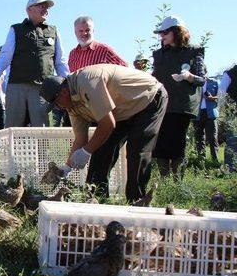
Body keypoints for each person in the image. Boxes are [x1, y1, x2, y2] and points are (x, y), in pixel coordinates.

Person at [40, 64, 167, 202]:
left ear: (63, 93)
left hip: (147, 98)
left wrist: (86, 151)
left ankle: (137, 203)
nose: (58, 108)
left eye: (56, 103)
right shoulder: (71, 105)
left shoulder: (87, 82)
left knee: (136, 150)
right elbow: (80, 138)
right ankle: (96, 200)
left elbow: (108, 124)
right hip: (121, 110)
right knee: (100, 150)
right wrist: (66, 168)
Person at [0, 0, 69, 127]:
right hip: (17, 85)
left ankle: (42, 149)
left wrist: (68, 82)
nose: (45, 9)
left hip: (43, 87)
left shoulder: (53, 31)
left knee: (41, 126)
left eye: (46, 7)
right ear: (29, 10)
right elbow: (5, 56)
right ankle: (12, 149)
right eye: (41, 6)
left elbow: (60, 61)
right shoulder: (16, 29)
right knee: (14, 125)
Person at [151, 15, 205, 178]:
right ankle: (164, 183)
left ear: (177, 31)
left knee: (176, 147)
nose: (161, 35)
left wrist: (189, 76)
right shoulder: (159, 54)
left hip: (181, 107)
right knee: (160, 147)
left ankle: (178, 184)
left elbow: (201, 80)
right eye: (160, 32)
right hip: (161, 105)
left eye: (165, 32)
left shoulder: (194, 52)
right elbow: (154, 77)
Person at [58, 16, 129, 128]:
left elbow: (124, 69)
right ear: (75, 32)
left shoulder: (104, 50)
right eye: (80, 31)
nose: (84, 33)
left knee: (100, 136)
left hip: (100, 104)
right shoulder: (73, 54)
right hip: (80, 105)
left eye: (87, 30)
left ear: (93, 31)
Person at [193, 76, 219, 163]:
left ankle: (215, 161)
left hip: (210, 113)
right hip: (197, 113)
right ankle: (201, 160)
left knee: (212, 137)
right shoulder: (194, 83)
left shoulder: (214, 82)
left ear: (206, 72)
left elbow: (222, 95)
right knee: (199, 137)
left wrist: (212, 98)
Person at [219, 65, 237, 171]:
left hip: (232, 112)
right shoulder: (229, 73)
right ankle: (230, 168)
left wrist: (221, 110)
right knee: (232, 140)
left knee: (232, 140)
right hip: (232, 112)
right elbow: (221, 94)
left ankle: (231, 168)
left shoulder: (229, 74)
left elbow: (221, 94)